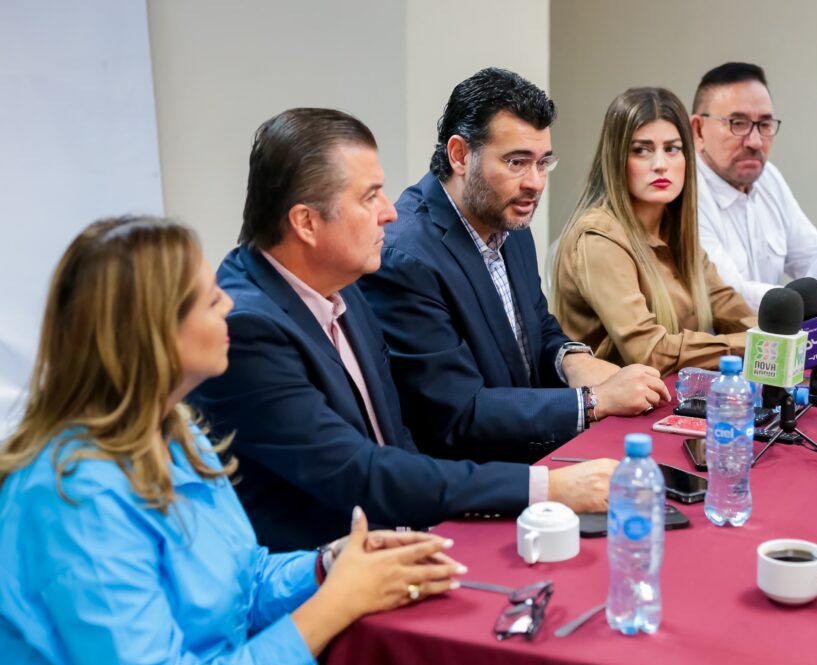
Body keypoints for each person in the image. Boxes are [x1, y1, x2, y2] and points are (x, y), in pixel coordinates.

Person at [0, 217, 463, 665]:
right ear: (150, 333)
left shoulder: (178, 433)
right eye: (208, 299)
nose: (228, 302)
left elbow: (245, 580)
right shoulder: (72, 496)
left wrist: (326, 566)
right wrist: (336, 603)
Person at [189, 108, 616, 552]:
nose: (390, 213)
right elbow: (360, 472)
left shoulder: (344, 285)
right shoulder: (247, 330)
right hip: (321, 580)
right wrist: (546, 486)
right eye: (369, 196)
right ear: (306, 222)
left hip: (407, 535)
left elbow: (396, 439)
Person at [359, 68, 671, 463]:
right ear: (459, 155)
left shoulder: (507, 219)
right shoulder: (407, 256)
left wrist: (572, 360)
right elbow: (457, 415)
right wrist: (594, 401)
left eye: (543, 163)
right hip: (467, 484)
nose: (535, 183)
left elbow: (537, 326)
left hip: (530, 453)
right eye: (517, 162)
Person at [551, 87, 756, 374]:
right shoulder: (599, 238)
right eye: (641, 150)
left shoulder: (675, 231)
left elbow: (726, 304)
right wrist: (753, 345)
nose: (660, 165)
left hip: (668, 403)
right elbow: (650, 353)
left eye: (672, 149)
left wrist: (774, 335)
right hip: (610, 414)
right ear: (616, 159)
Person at [690, 62, 817, 324]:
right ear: (698, 130)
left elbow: (812, 255)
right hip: (716, 354)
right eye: (737, 123)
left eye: (764, 125)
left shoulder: (767, 177)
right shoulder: (686, 193)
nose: (754, 141)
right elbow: (731, 295)